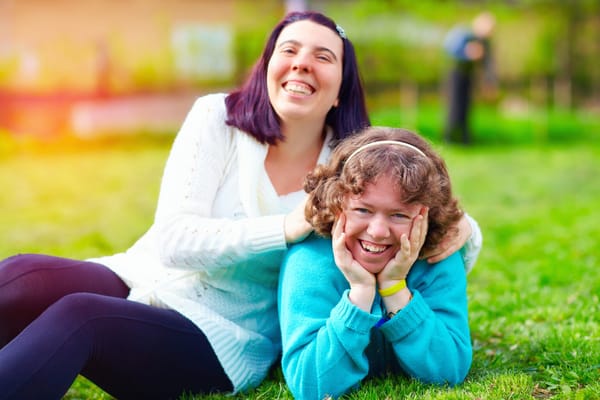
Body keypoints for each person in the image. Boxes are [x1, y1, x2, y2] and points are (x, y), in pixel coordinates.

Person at [0, 11, 480, 400]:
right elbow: (172, 241)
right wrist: (289, 225)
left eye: (323, 56)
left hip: (225, 332)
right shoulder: (218, 117)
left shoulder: (349, 165)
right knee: (20, 277)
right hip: (147, 277)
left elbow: (412, 205)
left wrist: (462, 229)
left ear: (340, 90)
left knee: (81, 317)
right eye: (288, 50)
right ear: (267, 67)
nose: (301, 63)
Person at [278, 126, 473, 400]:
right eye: (362, 210)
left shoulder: (437, 256)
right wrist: (359, 294)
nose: (378, 231)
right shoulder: (309, 260)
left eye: (399, 215)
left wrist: (395, 289)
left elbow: (448, 371)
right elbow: (311, 386)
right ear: (338, 204)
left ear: (425, 216)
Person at [443, 11, 497, 144]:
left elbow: (487, 63)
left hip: (469, 75)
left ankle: (465, 138)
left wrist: (489, 83)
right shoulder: (463, 34)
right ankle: (449, 137)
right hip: (456, 74)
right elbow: (450, 50)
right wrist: (467, 54)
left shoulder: (485, 42)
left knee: (467, 108)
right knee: (455, 106)